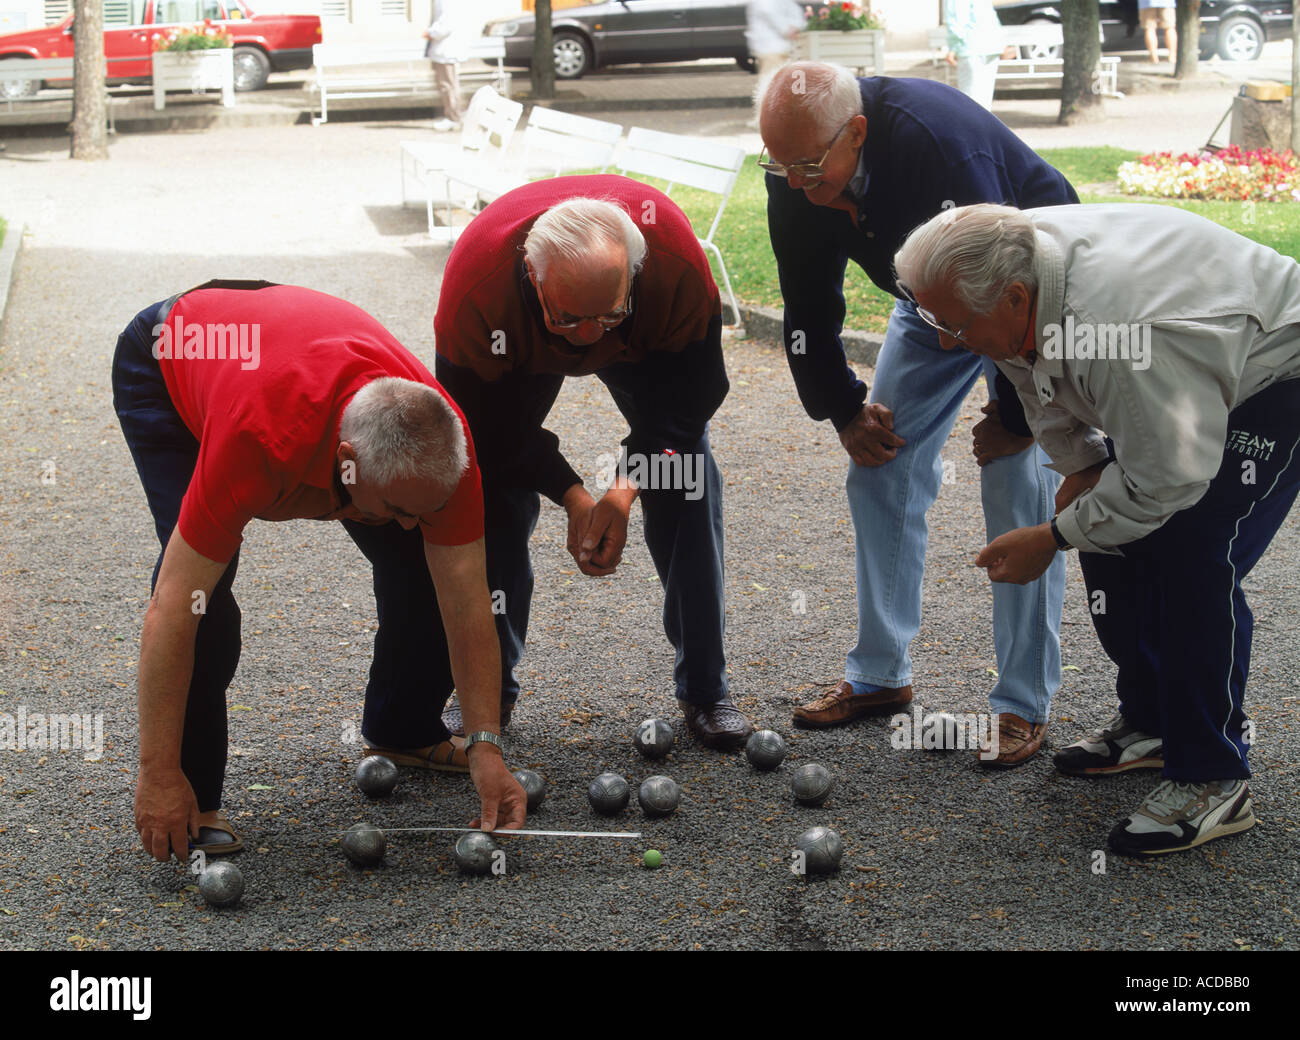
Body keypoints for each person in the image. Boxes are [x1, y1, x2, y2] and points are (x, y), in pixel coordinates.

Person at [894, 201, 1300, 855]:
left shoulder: (1113, 327)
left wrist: (1052, 537)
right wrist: (1080, 467)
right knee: (1108, 528)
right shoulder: (1009, 276)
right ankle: (1151, 722)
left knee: (1193, 550)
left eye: (955, 324)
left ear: (1017, 299)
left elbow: (1170, 480)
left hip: (1279, 371)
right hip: (1181, 369)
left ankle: (1212, 777)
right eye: (932, 317)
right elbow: (1032, 376)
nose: (945, 338)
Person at [112, 280, 525, 862]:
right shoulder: (257, 439)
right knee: (209, 604)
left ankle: (403, 729)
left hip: (294, 361)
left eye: (420, 510)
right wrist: (155, 770)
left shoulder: (441, 450)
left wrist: (487, 746)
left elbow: (466, 600)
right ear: (347, 465)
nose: (411, 525)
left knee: (422, 566)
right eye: (399, 511)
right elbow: (174, 606)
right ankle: (190, 793)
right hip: (176, 358)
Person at [758, 61, 1078, 766]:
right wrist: (843, 406)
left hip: (1027, 289)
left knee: (1015, 484)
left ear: (858, 133)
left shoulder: (939, 143)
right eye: (780, 167)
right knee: (879, 463)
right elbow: (807, 302)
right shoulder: (795, 166)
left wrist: (1016, 420)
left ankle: (1022, 705)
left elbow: (1008, 286)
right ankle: (880, 674)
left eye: (810, 168)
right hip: (927, 297)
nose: (796, 183)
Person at [433, 175, 755, 751]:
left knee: (688, 481)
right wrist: (573, 494)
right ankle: (489, 687)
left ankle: (706, 689)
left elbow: (690, 402)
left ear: (633, 277)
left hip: (645, 343)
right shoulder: (478, 290)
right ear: (533, 277)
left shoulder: (673, 266)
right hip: (520, 349)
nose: (585, 340)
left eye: (605, 317)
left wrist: (625, 488)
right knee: (491, 493)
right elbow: (486, 428)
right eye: (569, 320)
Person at [424, 0, 482, 131]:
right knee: (448, 85)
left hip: (446, 50)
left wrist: (431, 33)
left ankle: (453, 117)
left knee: (448, 85)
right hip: (446, 50)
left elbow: (445, 24)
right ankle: (453, 116)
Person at [943, 0, 1003, 111]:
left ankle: (974, 128)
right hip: (992, 45)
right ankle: (984, 127)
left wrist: (953, 47)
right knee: (985, 99)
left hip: (971, 46)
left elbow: (957, 20)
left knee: (969, 99)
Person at [1139, 0, 1177, 65]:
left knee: (1149, 28)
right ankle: (1172, 57)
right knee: (1170, 27)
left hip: (1147, 3)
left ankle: (1154, 58)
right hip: (1167, 2)